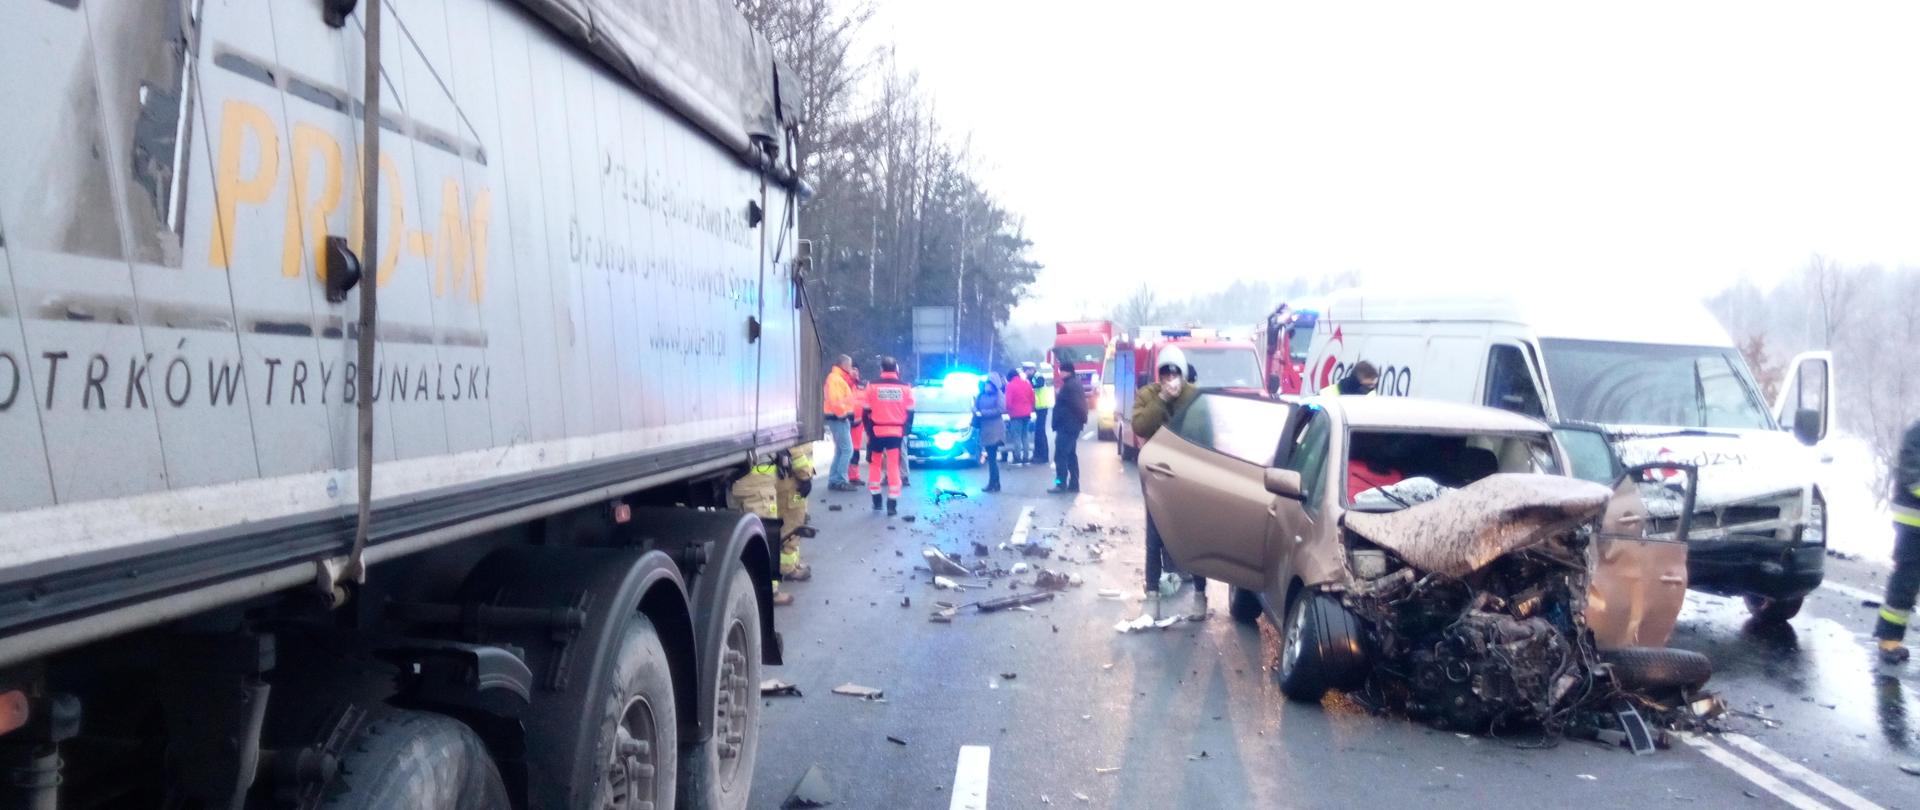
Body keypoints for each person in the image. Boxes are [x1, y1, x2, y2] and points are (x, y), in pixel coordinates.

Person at [1132, 346, 1206, 617]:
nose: (1170, 379)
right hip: (1157, 475)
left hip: (1188, 476)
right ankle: (1152, 596)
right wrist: (1162, 399)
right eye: (1165, 374)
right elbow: (1140, 425)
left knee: (1194, 536)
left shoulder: (1194, 397)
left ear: (1183, 374)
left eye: (1174, 374)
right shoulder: (1148, 395)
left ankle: (1200, 595)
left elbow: (1204, 431)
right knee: (1154, 537)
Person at [1876, 419, 1920, 664]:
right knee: (1907, 580)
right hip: (1913, 523)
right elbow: (1913, 477)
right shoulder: (1916, 434)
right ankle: (1889, 638)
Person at [728, 454, 792, 605]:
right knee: (765, 537)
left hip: (737, 477)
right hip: (757, 480)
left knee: (741, 538)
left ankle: (747, 586)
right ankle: (769, 592)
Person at [863, 356, 915, 516]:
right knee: (893, 465)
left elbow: (865, 412)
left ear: (881, 369)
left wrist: (869, 431)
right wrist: (905, 430)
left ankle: (876, 499)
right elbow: (910, 412)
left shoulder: (871, 386)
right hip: (896, 432)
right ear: (896, 369)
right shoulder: (906, 388)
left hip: (877, 431)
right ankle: (892, 502)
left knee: (875, 464)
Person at [773, 445, 815, 591]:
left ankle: (792, 563)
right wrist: (805, 476)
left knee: (791, 520)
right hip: (792, 483)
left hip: (789, 481)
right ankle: (788, 568)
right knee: (792, 525)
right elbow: (795, 450)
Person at [1048, 361, 1088, 494]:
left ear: (1067, 372)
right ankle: (1074, 483)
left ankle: (1060, 484)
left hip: (1067, 426)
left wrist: (1075, 420)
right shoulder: (1074, 384)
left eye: (1062, 371)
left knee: (1060, 456)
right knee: (1070, 455)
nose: (1060, 373)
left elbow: (1076, 406)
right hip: (1071, 426)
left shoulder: (1069, 386)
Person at [822, 355, 859, 491]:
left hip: (837, 418)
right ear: (844, 365)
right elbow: (835, 401)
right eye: (850, 365)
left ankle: (834, 479)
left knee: (840, 450)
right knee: (847, 450)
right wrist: (843, 415)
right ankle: (840, 480)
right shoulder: (836, 379)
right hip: (839, 419)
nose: (851, 367)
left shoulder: (836, 378)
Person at [974, 374, 1008, 492]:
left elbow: (1000, 409)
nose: (986, 386)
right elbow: (976, 406)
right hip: (985, 429)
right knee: (991, 458)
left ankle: (994, 483)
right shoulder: (981, 395)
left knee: (992, 458)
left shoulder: (999, 395)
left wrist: (983, 413)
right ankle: (994, 483)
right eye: (986, 384)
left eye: (989, 384)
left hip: (995, 430)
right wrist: (975, 411)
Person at [1004, 367, 1036, 464]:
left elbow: (1008, 402)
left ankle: (1017, 457)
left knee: (1016, 436)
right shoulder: (1026, 383)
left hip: (1015, 414)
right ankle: (1026, 457)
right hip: (1027, 413)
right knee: (1025, 435)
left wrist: (1008, 411)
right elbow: (1032, 398)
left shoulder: (1010, 385)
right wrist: (1029, 408)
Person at [1032, 363, 1055, 465]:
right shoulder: (1034, 377)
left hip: (1042, 407)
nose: (1025, 372)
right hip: (1038, 407)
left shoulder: (1038, 376)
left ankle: (1043, 456)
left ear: (1032, 369)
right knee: (1038, 432)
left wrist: (1031, 385)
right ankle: (1038, 455)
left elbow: (1039, 384)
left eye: (1026, 370)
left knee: (1040, 432)